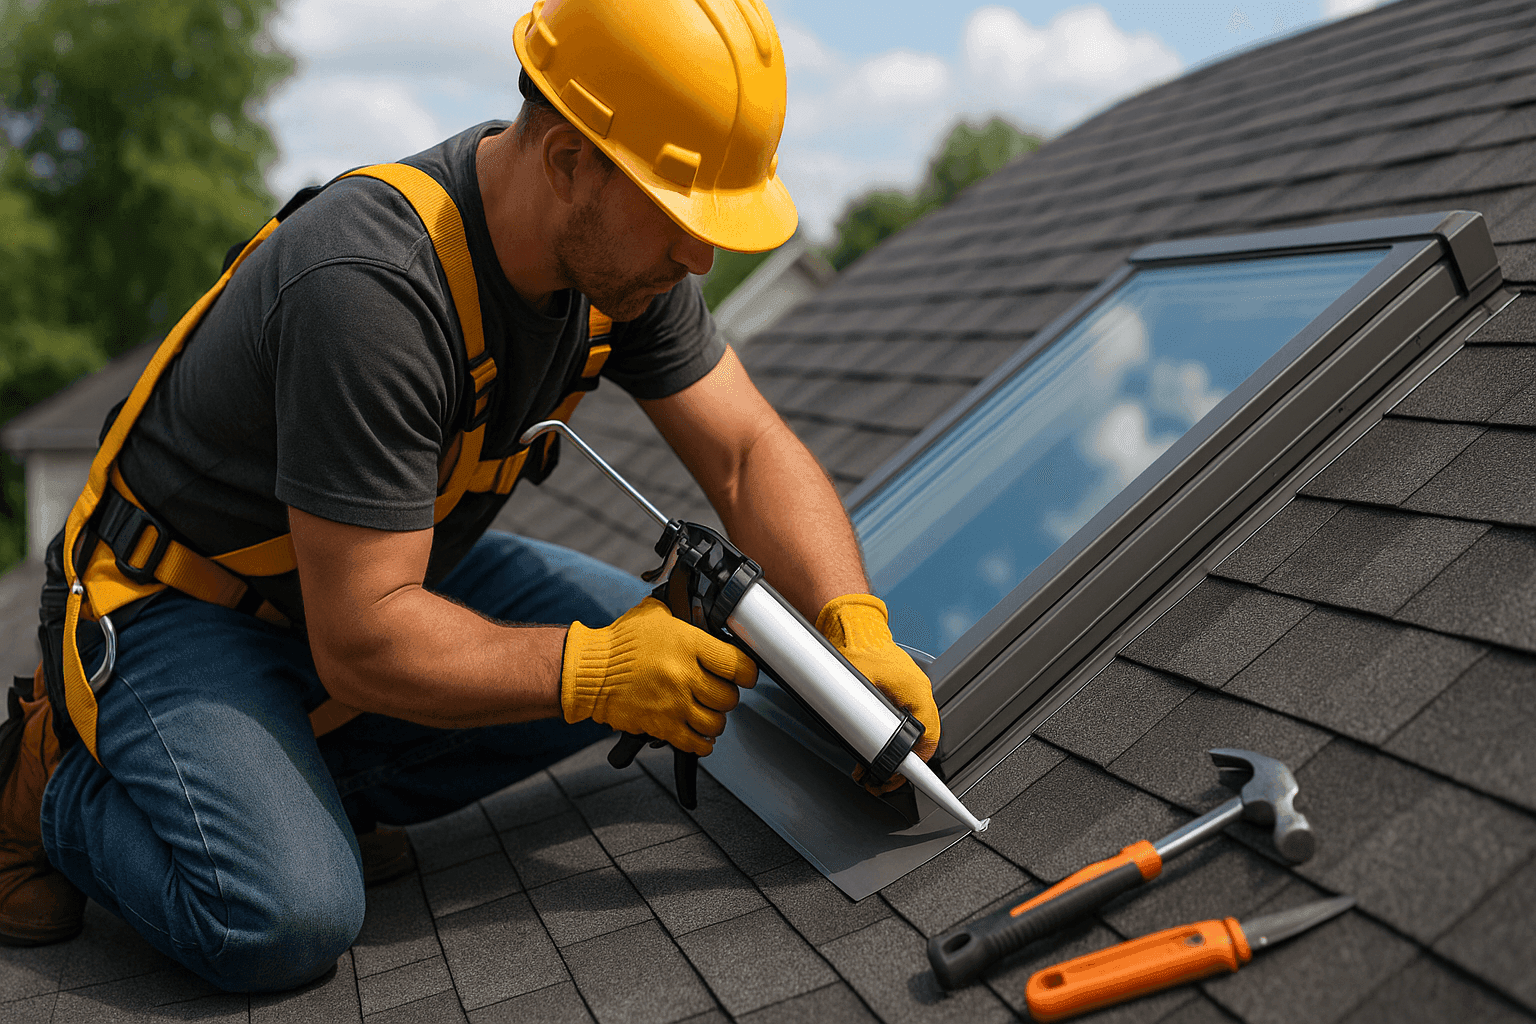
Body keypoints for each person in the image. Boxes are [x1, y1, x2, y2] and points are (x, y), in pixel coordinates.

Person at [0, 0, 939, 991]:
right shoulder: (373, 285)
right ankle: (50, 778)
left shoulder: (623, 266)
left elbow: (748, 451)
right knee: (283, 913)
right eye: (677, 217)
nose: (700, 258)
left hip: (356, 585)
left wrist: (855, 624)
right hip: (175, 604)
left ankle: (307, 777)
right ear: (568, 158)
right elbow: (363, 637)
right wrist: (593, 671)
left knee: (661, 648)